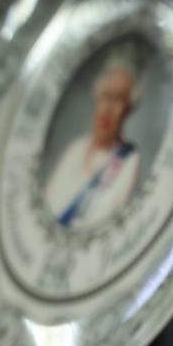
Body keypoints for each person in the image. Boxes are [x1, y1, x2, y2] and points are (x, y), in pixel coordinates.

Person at [44, 49, 142, 228]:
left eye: (118, 99)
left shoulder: (128, 160)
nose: (108, 109)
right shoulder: (76, 147)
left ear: (128, 109)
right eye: (106, 96)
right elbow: (48, 204)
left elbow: (104, 219)